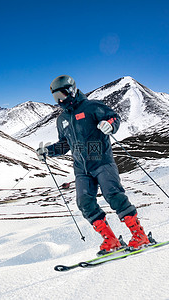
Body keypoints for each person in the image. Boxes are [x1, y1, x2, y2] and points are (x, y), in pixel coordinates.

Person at [36, 75, 150, 255]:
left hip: (102, 161)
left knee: (113, 195)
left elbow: (114, 118)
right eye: (55, 98)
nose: (59, 101)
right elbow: (65, 144)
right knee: (84, 203)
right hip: (81, 168)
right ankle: (111, 240)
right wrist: (48, 151)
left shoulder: (92, 107)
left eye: (62, 95)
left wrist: (109, 125)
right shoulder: (62, 120)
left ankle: (139, 235)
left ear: (72, 91)